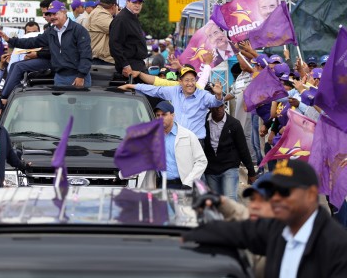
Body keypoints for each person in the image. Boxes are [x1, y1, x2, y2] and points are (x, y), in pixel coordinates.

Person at [183, 159, 347, 277]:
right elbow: (237, 230)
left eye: (284, 191)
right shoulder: (278, 229)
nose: (275, 198)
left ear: (311, 194)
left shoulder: (337, 247)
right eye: (273, 191)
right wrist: (185, 237)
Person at [1, 0, 93, 88]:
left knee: (81, 104)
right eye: (50, 14)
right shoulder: (51, 31)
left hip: (78, 76)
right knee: (60, 104)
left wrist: (81, 76)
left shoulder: (78, 30)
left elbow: (86, 54)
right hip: (60, 77)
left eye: (55, 13)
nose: (52, 17)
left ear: (64, 12)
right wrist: (10, 40)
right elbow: (32, 42)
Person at [119, 66, 224, 141]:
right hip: (176, 140)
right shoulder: (174, 91)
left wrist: (218, 95)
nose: (190, 83)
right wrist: (133, 86)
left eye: (193, 80)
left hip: (195, 141)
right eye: (187, 80)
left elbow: (215, 102)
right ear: (180, 81)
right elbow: (155, 90)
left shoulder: (203, 95)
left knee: (195, 172)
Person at [146, 101, 207, 189]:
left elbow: (201, 161)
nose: (160, 118)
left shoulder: (187, 135)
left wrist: (189, 182)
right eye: (158, 115)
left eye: (164, 115)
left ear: (172, 115)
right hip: (162, 185)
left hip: (183, 185)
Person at [203, 105, 257, 201]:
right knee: (216, 201)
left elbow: (243, 148)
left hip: (229, 167)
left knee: (230, 200)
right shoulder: (203, 122)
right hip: (210, 169)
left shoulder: (234, 124)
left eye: (221, 106)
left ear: (224, 106)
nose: (219, 110)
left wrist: (251, 171)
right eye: (216, 107)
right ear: (210, 108)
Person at [109, 0, 147, 76]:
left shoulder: (132, 17)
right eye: (134, 2)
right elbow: (114, 44)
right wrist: (125, 65)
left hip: (137, 63)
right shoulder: (121, 19)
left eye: (140, 3)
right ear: (127, 2)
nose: (137, 6)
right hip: (130, 65)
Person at [85, 0, 118, 65]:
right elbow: (118, 30)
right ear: (113, 6)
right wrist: (119, 16)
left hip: (101, 59)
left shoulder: (98, 12)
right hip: (101, 60)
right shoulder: (100, 14)